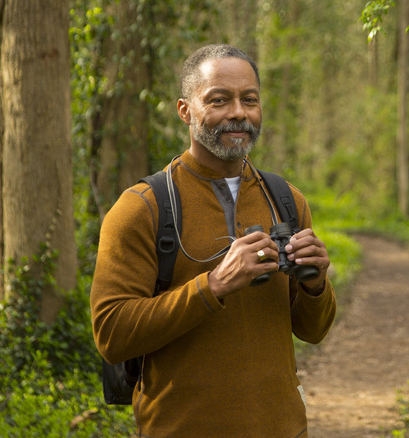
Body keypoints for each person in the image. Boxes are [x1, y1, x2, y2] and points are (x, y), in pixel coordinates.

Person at [90, 43, 336, 437]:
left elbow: (313, 330)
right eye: (219, 100)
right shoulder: (142, 207)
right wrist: (214, 285)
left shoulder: (286, 200)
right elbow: (112, 335)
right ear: (185, 110)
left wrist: (316, 284)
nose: (238, 112)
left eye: (249, 99)